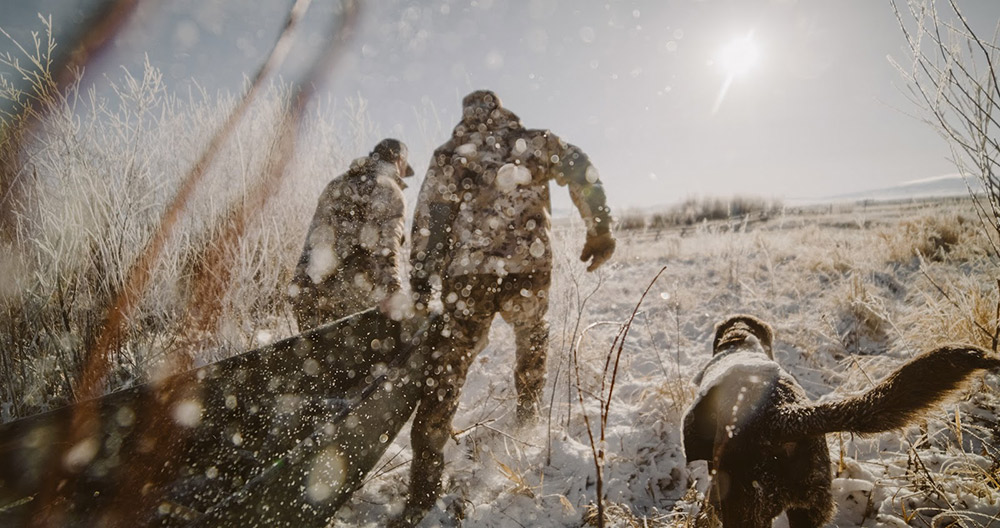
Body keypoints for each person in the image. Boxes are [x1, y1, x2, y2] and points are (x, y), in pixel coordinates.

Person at [397, 90, 615, 524]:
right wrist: (600, 227)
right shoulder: (534, 141)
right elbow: (579, 165)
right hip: (527, 268)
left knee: (447, 368)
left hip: (467, 276)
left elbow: (430, 219)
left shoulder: (450, 155)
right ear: (501, 111)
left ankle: (424, 478)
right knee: (532, 342)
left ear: (465, 116)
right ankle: (528, 423)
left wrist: (423, 281)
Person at [288, 138, 414, 332]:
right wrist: (394, 293)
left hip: (309, 290)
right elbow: (387, 249)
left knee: (313, 359)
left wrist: (299, 286)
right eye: (404, 168)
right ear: (399, 161)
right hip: (351, 294)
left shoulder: (336, 184)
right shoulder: (389, 189)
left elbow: (313, 239)